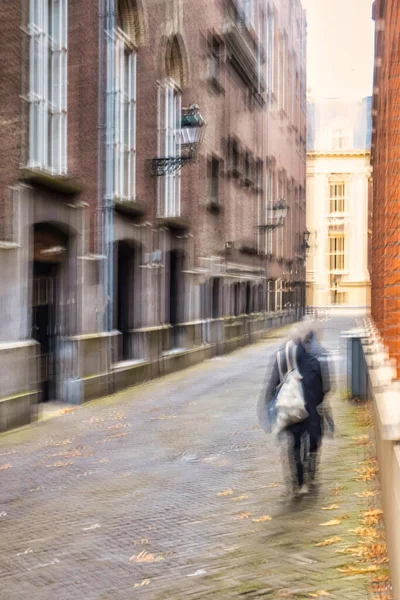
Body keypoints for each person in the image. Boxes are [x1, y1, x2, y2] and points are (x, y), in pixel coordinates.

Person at [263, 321, 331, 497]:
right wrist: (317, 401)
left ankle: (298, 481)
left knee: (294, 444)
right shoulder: (315, 357)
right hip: (311, 410)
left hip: (290, 409)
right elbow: (326, 387)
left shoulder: (280, 356)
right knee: (313, 440)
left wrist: (269, 408)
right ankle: (310, 468)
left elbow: (271, 385)